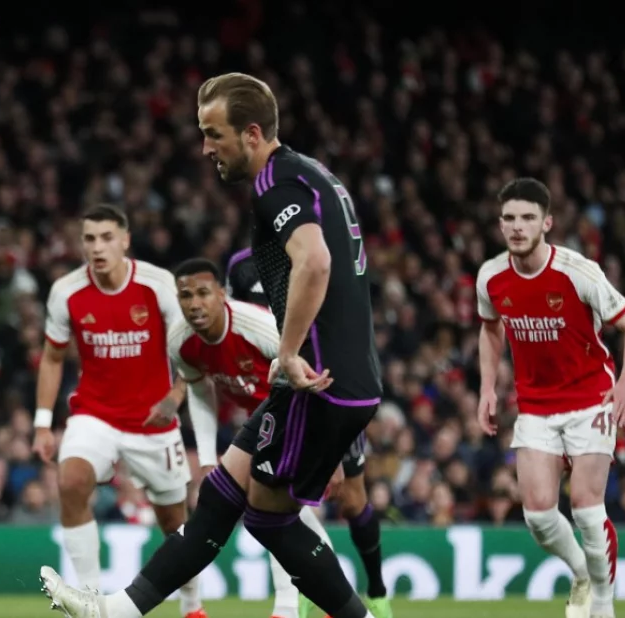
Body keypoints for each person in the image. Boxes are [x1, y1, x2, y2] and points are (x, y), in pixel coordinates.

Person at [40, 72, 381, 618]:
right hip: (332, 378)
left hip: (319, 380)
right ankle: (118, 610)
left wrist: (289, 351)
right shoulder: (311, 173)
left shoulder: (277, 183)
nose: (205, 148)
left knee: (269, 516)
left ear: (250, 133)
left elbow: (315, 260)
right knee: (223, 492)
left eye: (212, 133)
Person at [475, 178, 625, 618]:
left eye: (528, 218)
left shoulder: (578, 271)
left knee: (589, 512)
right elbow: (490, 328)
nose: (518, 227)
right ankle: (582, 574)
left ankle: (604, 608)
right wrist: (486, 387)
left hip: (592, 397)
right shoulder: (491, 277)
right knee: (537, 516)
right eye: (510, 219)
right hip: (535, 404)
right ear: (500, 225)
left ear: (547, 223)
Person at [32, 204, 206, 618]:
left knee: (172, 522)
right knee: (71, 481)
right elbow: (53, 359)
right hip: (95, 414)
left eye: (107, 237)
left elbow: (193, 347)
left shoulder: (158, 284)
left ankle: (193, 605)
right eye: (89, 239)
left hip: (153, 422)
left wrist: (178, 395)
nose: (97, 247)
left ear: (125, 240)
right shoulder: (67, 291)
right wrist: (42, 422)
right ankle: (91, 601)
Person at [163, 256, 340, 618]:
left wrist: (332, 452)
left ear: (222, 294)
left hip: (304, 408)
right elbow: (198, 392)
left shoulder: (258, 327)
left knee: (269, 507)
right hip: (262, 422)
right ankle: (333, 602)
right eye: (185, 296)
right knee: (288, 514)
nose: (194, 304)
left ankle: (288, 610)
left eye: (203, 293)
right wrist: (209, 459)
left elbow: (314, 368)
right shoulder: (179, 342)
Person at [225, 249, 390, 618]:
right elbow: (236, 330)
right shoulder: (241, 266)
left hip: (333, 392)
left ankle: (376, 591)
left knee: (351, 501)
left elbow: (342, 335)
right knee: (273, 500)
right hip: (282, 395)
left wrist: (333, 450)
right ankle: (300, 599)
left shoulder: (323, 257)